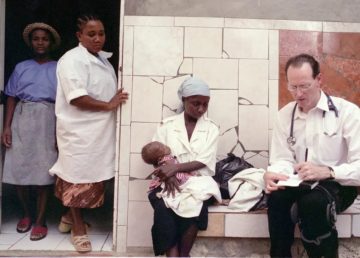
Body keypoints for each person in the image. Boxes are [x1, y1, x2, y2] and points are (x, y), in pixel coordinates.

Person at [263, 53, 360, 258]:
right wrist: (273, 174)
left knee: (313, 203)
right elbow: (282, 158)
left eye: (304, 86)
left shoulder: (348, 113)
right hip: (300, 182)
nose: (298, 94)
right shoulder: (285, 115)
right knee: (276, 199)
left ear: (319, 80)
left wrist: (328, 171)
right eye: (293, 87)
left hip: (338, 183)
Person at [49, 14, 128, 253]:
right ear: (79, 36)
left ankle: (67, 217)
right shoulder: (71, 60)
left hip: (98, 132)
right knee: (76, 178)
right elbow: (77, 97)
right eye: (91, 34)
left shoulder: (102, 60)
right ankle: (78, 229)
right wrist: (109, 105)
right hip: (79, 132)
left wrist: (109, 108)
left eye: (101, 33)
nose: (97, 38)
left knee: (92, 178)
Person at [148, 77, 220, 257]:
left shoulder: (211, 129)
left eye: (205, 104)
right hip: (167, 180)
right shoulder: (167, 126)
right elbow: (156, 154)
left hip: (198, 182)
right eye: (196, 103)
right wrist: (169, 174)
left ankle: (183, 254)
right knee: (164, 206)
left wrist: (175, 168)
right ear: (184, 100)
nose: (201, 109)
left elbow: (203, 161)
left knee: (195, 206)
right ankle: (173, 255)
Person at [1, 22, 60, 241]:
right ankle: (26, 213)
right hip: (22, 117)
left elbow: (63, 102)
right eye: (36, 38)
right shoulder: (21, 67)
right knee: (19, 169)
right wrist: (6, 127)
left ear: (51, 42)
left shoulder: (58, 67)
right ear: (31, 42)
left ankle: (40, 220)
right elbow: (11, 97)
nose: (40, 42)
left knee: (43, 172)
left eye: (44, 38)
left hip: (48, 118)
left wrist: (58, 131)